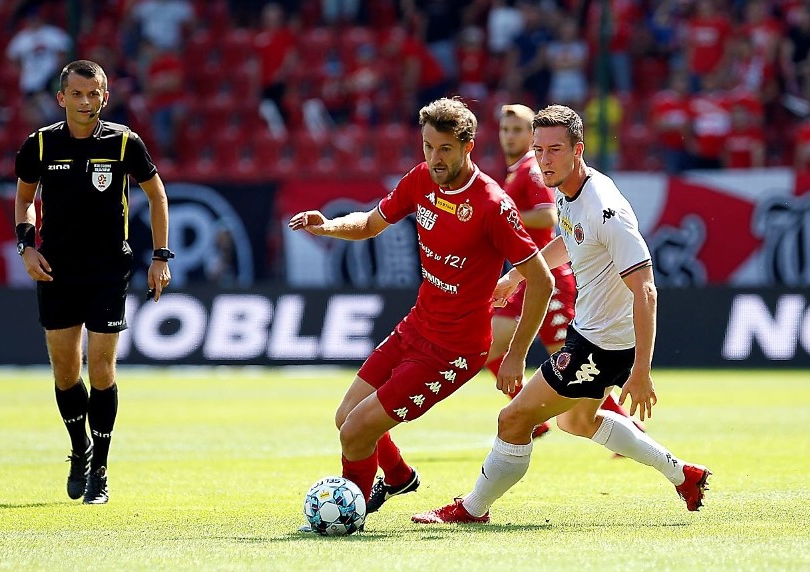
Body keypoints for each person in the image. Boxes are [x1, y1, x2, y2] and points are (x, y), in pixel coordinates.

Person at [411, 105, 711, 525]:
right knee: (577, 420)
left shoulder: (606, 209)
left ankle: (472, 508)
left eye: (554, 150)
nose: (544, 160)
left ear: (578, 149)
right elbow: (568, 242)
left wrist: (641, 370)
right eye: (539, 150)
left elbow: (646, 290)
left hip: (601, 346)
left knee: (513, 418)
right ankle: (685, 475)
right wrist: (518, 276)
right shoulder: (570, 190)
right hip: (591, 335)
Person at [289, 97, 554, 527]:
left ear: (468, 147)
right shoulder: (420, 180)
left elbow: (541, 281)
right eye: (428, 146)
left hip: (454, 349)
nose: (434, 158)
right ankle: (397, 476)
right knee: (345, 418)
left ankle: (347, 519)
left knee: (356, 431)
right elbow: (371, 223)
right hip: (417, 325)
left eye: (444, 148)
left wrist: (516, 354)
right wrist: (328, 225)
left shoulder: (492, 204)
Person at [14, 60, 172, 505]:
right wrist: (26, 245)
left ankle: (100, 469)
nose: (87, 102)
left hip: (109, 269)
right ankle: (79, 448)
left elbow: (157, 195)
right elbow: (25, 200)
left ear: (106, 96)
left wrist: (160, 256)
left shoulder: (124, 142)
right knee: (66, 371)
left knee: (101, 366)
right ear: (62, 98)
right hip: (56, 269)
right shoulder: (40, 145)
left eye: (95, 94)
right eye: (78, 94)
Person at [491, 104, 641, 440]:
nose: (510, 136)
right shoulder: (538, 175)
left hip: (551, 281)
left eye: (518, 130)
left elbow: (545, 220)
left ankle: (626, 425)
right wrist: (515, 275)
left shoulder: (537, 173)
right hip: (532, 274)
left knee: (574, 364)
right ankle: (528, 413)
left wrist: (496, 218)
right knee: (495, 345)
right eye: (505, 129)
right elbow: (566, 231)